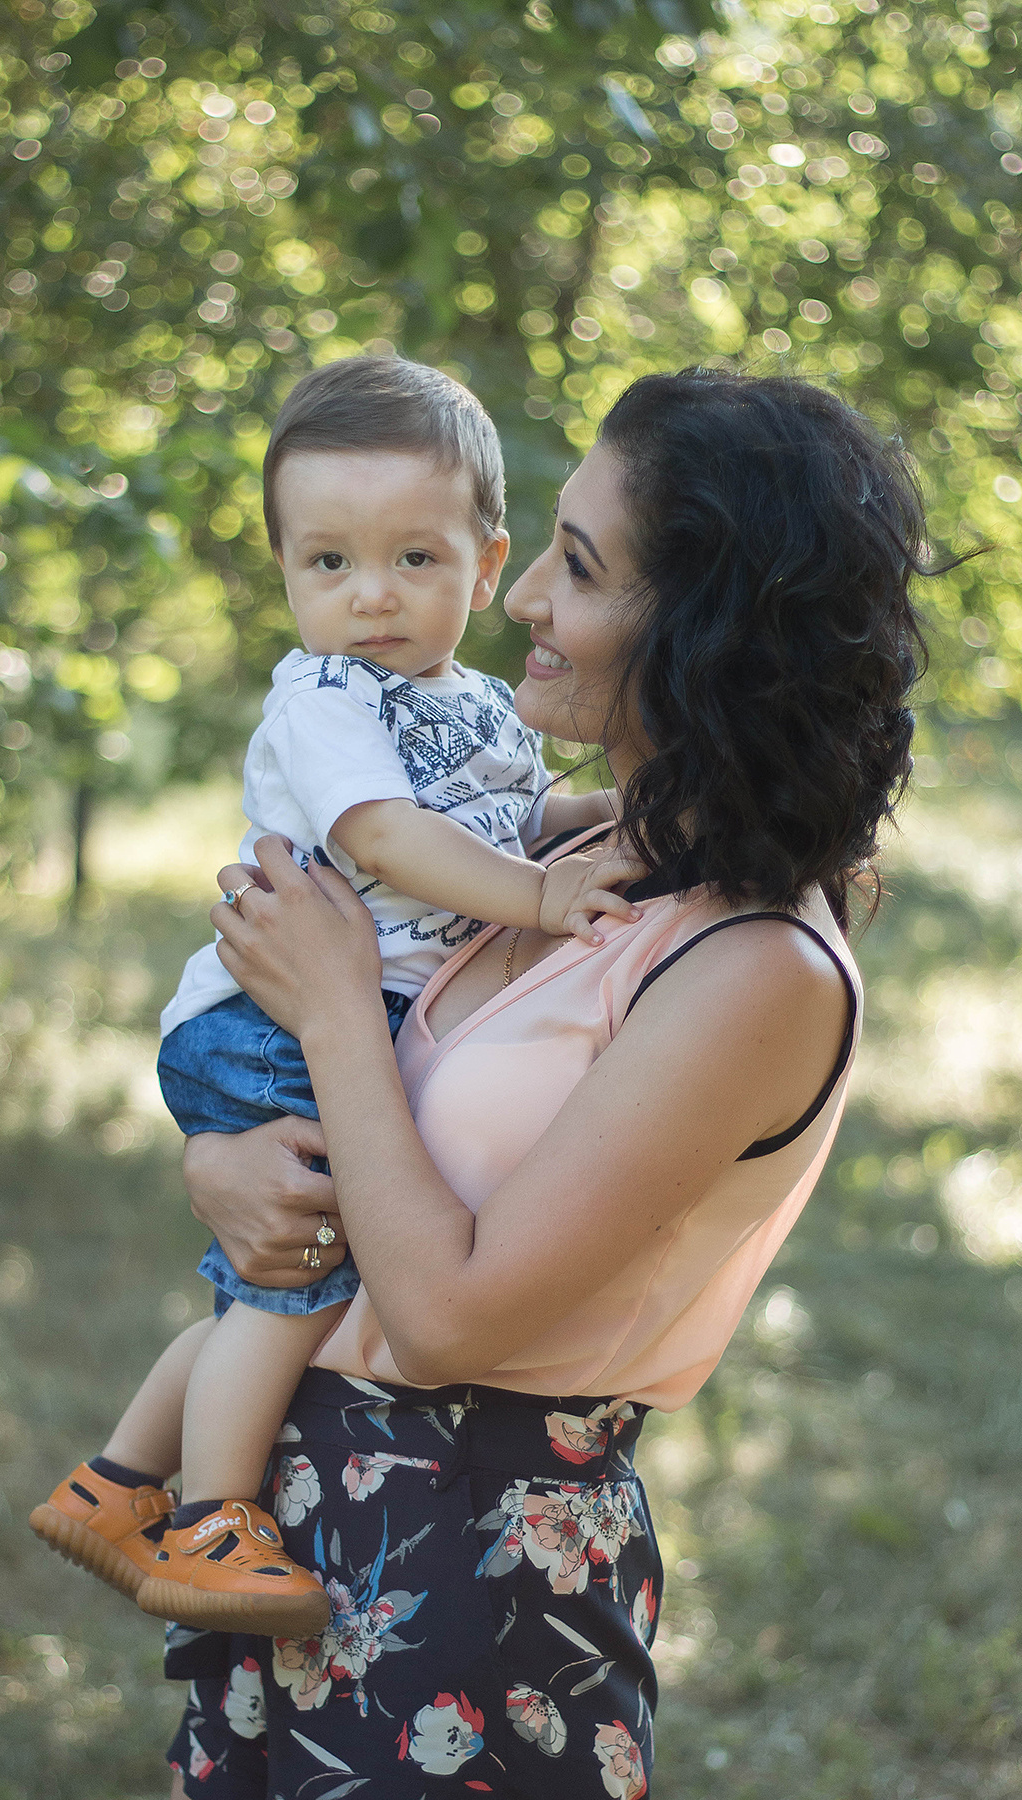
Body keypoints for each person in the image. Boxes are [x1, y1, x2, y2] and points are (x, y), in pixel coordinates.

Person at [158, 367, 938, 1799]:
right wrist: (224, 1165)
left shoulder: (758, 970)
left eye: (574, 568)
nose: (519, 600)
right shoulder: (569, 862)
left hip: (473, 1581)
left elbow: (448, 1315)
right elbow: (390, 1128)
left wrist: (330, 1009)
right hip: (295, 1529)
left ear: (702, 626)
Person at [28, 357, 640, 1637]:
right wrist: (535, 899)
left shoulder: (471, 701)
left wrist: (595, 820)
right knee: (295, 1285)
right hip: (265, 1021)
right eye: (329, 565)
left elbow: (507, 818)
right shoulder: (323, 697)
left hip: (337, 1017)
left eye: (415, 560)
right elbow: (390, 835)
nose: (370, 597)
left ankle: (112, 1484)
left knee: (319, 1284)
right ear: (289, 574)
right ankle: (212, 1518)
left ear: (487, 564)